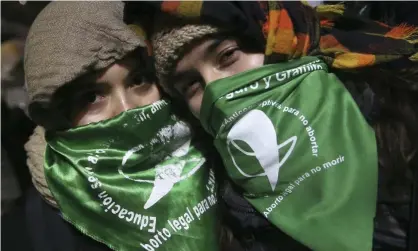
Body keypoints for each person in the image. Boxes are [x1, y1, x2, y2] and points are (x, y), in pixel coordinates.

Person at [125, 1, 418, 251]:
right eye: (191, 84)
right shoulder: (226, 205)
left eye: (227, 56)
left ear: (280, 41)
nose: (216, 90)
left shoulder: (401, 113)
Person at [24, 2, 219, 251]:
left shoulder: (211, 146)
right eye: (92, 97)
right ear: (58, 118)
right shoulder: (46, 222)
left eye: (138, 81)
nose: (128, 110)